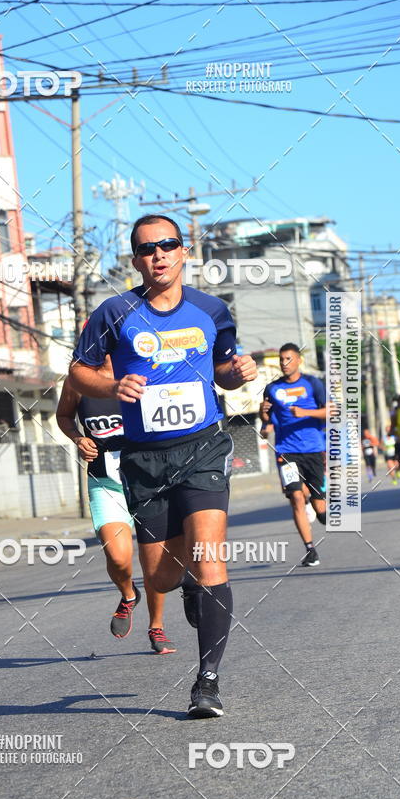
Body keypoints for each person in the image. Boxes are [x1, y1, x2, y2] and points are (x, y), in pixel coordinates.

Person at [70, 214, 257, 718]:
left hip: (203, 448)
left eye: (168, 245)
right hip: (144, 458)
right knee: (161, 577)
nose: (159, 255)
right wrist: (112, 386)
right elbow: (78, 373)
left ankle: (207, 682)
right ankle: (189, 583)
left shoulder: (211, 309)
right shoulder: (114, 312)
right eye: (147, 249)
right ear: (135, 260)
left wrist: (238, 372)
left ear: (184, 251)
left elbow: (223, 369)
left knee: (210, 557)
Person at [56, 356, 176, 653]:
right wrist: (78, 439)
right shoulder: (78, 382)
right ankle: (128, 595)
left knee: (153, 562)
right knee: (118, 557)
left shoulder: (141, 373)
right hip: (105, 481)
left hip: (147, 479)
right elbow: (63, 416)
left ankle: (157, 627)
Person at [259, 343, 330, 567]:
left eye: (288, 358)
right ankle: (310, 549)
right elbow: (266, 423)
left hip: (313, 449)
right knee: (296, 498)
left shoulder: (313, 383)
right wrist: (263, 420)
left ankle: (318, 509)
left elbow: (331, 411)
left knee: (321, 509)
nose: (284, 363)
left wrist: (305, 412)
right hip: (286, 451)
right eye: (281, 359)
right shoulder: (272, 388)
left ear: (299, 360)